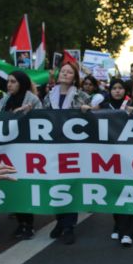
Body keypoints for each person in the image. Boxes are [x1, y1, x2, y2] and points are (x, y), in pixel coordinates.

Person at [42, 61, 90, 244]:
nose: (65, 74)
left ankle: (69, 225)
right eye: (63, 71)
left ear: (74, 77)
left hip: (73, 149)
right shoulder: (48, 97)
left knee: (70, 185)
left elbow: (92, 118)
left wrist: (88, 111)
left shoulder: (82, 96)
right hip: (53, 147)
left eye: (69, 72)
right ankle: (60, 221)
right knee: (55, 184)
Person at [97, 78, 133, 247]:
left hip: (129, 157)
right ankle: (118, 224)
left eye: (120, 88)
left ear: (126, 91)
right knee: (115, 192)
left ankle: (128, 232)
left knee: (128, 192)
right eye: (114, 88)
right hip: (109, 158)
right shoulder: (103, 107)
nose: (117, 91)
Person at [0, 71, 43, 239]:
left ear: (21, 83)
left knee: (24, 186)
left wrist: (28, 113)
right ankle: (20, 223)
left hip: (26, 150)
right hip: (8, 150)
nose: (9, 85)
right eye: (8, 82)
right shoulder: (4, 99)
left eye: (13, 82)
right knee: (12, 185)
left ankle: (28, 225)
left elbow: (43, 121)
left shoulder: (32, 99)